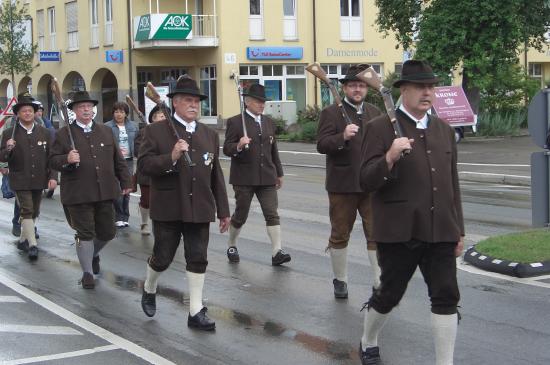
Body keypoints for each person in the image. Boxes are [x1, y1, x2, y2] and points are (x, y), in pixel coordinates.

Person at [358, 60, 464, 365]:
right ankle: (368, 340)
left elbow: (452, 184)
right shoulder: (379, 128)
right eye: (420, 87)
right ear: (404, 90)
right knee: (389, 294)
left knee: (446, 296)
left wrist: (459, 229)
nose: (427, 92)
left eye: (431, 86)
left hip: (441, 228)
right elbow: (365, 180)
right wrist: (389, 157)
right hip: (398, 229)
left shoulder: (444, 130)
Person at [138, 76, 230, 331]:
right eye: (188, 101)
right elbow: (144, 167)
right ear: (175, 103)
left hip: (200, 206)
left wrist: (223, 211)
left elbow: (216, 174)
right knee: (163, 257)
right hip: (169, 206)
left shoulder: (209, 135)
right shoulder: (155, 131)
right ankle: (150, 286)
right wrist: (172, 156)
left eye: (196, 101)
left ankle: (195, 310)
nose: (193, 105)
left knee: (198, 257)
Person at [50, 90, 132, 289]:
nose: (86, 109)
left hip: (104, 190)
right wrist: (66, 159)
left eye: (89, 106)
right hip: (78, 193)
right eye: (81, 107)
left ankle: (92, 254)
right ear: (74, 111)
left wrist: (126, 181)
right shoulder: (63, 134)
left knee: (107, 232)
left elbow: (118, 160)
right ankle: (87, 273)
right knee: (85, 232)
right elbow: (52, 160)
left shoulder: (105, 131)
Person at [316, 64, 383, 299]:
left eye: (361, 85)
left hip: (372, 185)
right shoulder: (331, 113)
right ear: (344, 88)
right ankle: (340, 279)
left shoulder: (376, 112)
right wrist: (342, 137)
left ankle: (378, 280)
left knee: (376, 233)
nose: (357, 89)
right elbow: (322, 145)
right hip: (342, 184)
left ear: (367, 89)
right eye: (353, 85)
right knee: (340, 233)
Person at [223, 83, 290, 266]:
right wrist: (238, 145)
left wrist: (279, 172)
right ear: (247, 101)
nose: (262, 105)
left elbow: (273, 149)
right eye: (259, 101)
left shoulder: (268, 122)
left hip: (267, 175)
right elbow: (227, 149)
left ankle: (277, 251)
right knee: (241, 214)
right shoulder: (236, 122)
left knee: (271, 213)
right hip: (244, 176)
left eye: (263, 101)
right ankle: (232, 244)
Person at [0, 94, 57, 260]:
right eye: (23, 111)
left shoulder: (45, 132)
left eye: (30, 111)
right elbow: (2, 157)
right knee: (27, 209)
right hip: (19, 178)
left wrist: (53, 176)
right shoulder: (10, 133)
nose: (27, 113)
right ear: (18, 114)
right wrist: (8, 149)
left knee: (35, 210)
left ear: (35, 113)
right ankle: (32, 245)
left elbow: (51, 157)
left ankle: (23, 239)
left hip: (39, 178)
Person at [105, 102, 139, 228]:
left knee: (127, 189)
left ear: (126, 114)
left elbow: (137, 143)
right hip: (114, 161)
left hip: (128, 161)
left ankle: (125, 216)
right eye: (116, 112)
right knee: (117, 189)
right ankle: (118, 216)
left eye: (122, 112)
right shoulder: (107, 127)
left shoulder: (133, 127)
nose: (119, 114)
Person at [133, 105, 165, 235]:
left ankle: (166, 225)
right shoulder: (144, 132)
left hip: (164, 171)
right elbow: (138, 152)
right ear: (153, 118)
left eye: (165, 116)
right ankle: (144, 223)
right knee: (146, 200)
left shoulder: (171, 133)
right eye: (161, 116)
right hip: (147, 172)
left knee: (166, 200)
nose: (164, 118)